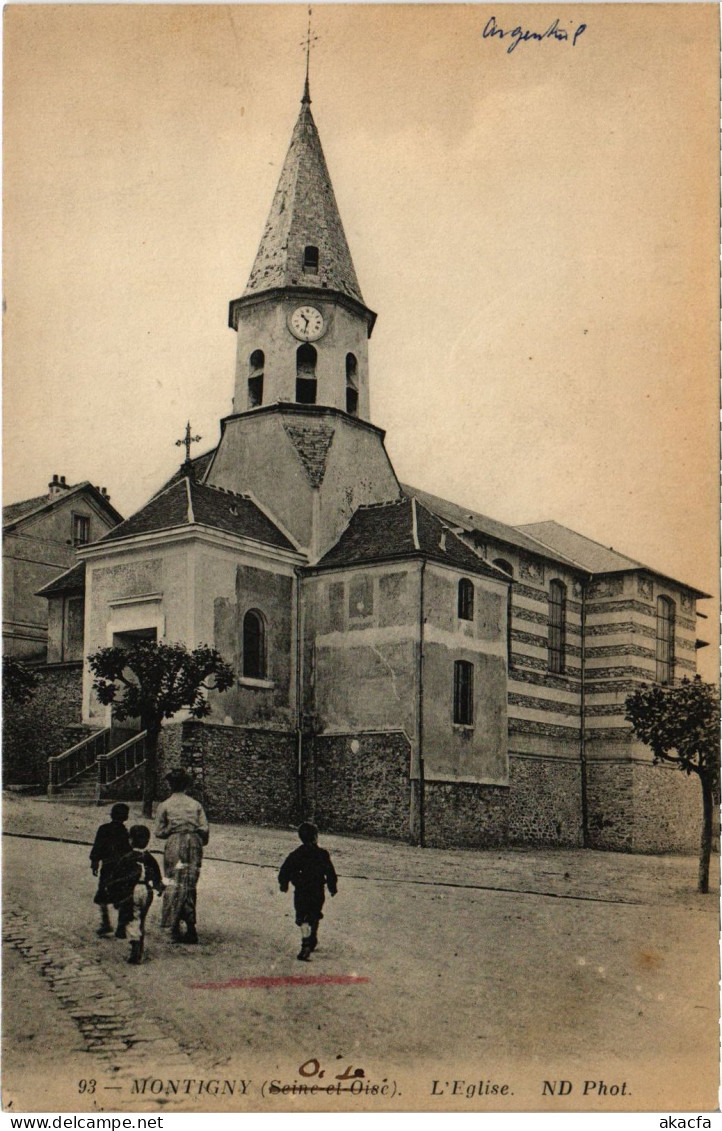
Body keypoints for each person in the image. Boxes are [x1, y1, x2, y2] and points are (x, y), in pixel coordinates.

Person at [154, 768, 209, 944]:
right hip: (194, 843)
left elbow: (159, 832)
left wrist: (172, 829)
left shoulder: (165, 805)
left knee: (174, 881)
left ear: (170, 784)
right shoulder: (195, 805)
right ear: (187, 785)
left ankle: (174, 924)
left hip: (175, 844)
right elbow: (204, 829)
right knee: (190, 883)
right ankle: (191, 927)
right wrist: (198, 841)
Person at [103, 825, 164, 965]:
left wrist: (112, 890)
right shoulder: (149, 858)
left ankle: (135, 949)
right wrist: (159, 887)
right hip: (147, 892)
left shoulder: (127, 857)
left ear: (130, 840)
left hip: (133, 891)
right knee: (141, 919)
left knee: (132, 918)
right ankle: (139, 946)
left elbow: (117, 876)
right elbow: (157, 875)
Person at [278, 822, 338, 961]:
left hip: (301, 891)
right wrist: (332, 887)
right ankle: (312, 938)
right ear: (315, 837)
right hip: (317, 891)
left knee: (303, 916)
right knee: (315, 914)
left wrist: (284, 884)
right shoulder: (322, 854)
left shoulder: (297, 854)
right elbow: (330, 872)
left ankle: (306, 942)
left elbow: (285, 870)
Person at [89, 802, 130, 937]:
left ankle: (106, 923)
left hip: (107, 868)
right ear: (126, 817)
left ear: (111, 815)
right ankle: (121, 927)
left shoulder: (104, 829)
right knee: (122, 897)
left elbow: (98, 847)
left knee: (102, 895)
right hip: (121, 869)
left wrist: (95, 862)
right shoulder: (125, 832)